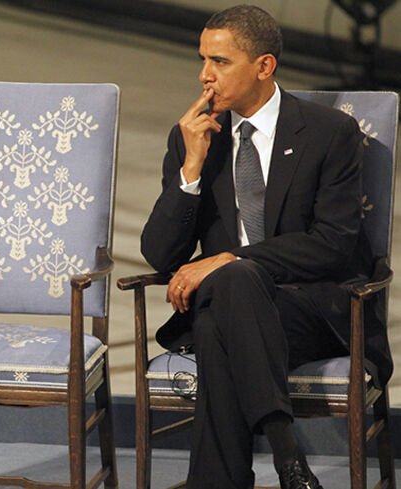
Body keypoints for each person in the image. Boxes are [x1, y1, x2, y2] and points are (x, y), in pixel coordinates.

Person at [140, 4, 393, 489]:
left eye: (219, 61)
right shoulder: (194, 137)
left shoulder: (328, 132)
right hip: (238, 311)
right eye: (203, 60)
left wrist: (230, 258)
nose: (204, 75)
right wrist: (190, 171)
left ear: (263, 66)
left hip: (312, 310)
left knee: (225, 299)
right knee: (224, 310)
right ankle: (287, 457)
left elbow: (333, 245)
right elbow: (161, 256)